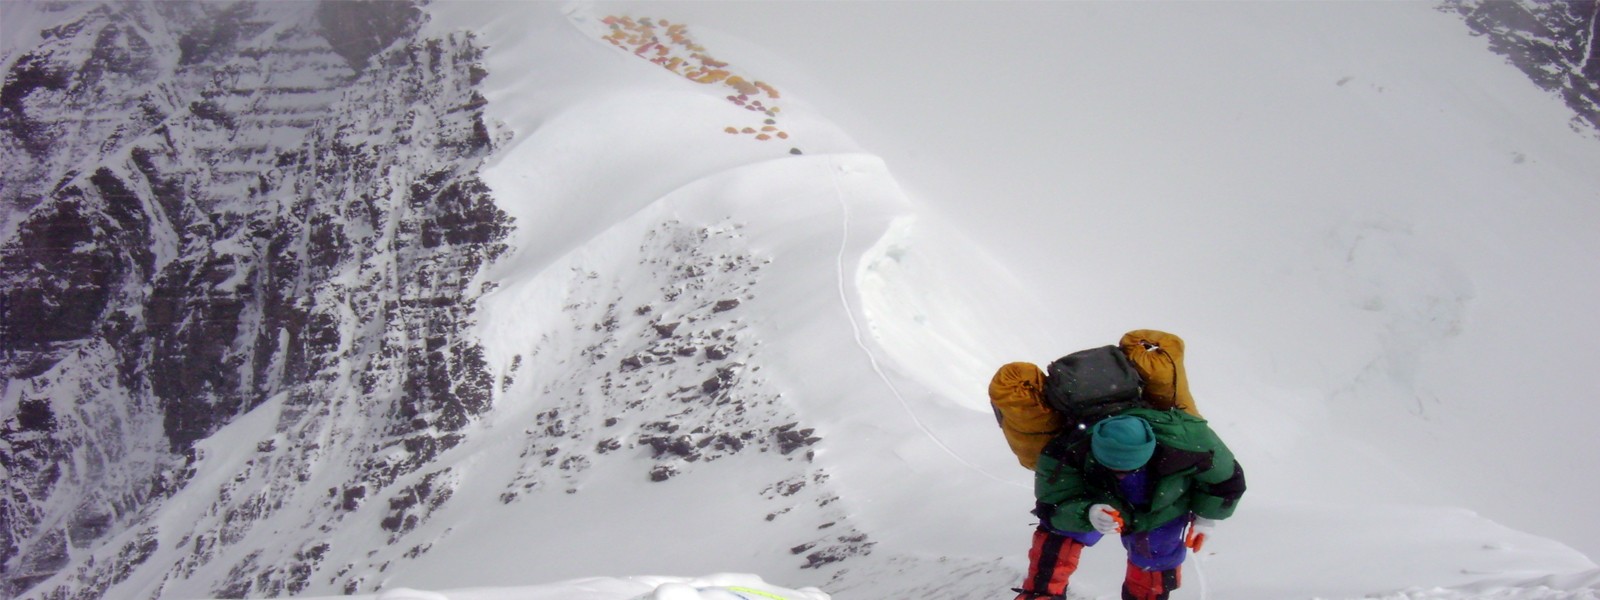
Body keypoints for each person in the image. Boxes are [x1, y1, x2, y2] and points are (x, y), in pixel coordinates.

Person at [1014, 409, 1246, 600]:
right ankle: (1040, 594)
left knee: (1156, 557)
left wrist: (1207, 518)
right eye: (1115, 469)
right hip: (1100, 499)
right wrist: (1087, 513)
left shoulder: (1188, 443)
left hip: (1162, 509)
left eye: (1131, 469)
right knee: (1058, 535)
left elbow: (1227, 480)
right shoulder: (1066, 451)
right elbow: (1052, 506)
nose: (1123, 475)